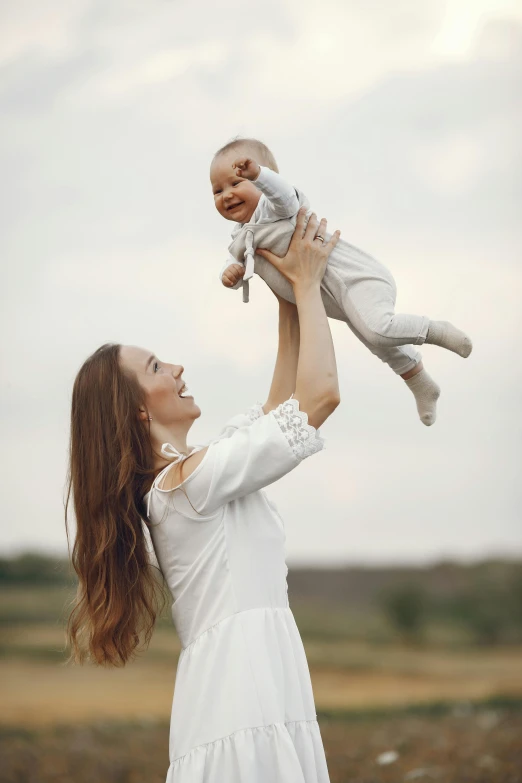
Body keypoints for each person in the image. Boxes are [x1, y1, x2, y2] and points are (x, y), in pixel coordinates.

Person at [65, 209, 341, 782]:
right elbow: (318, 400)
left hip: (248, 686)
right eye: (157, 366)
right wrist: (311, 286)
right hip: (242, 694)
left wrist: (286, 290)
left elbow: (280, 406)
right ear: (139, 409)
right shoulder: (189, 483)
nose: (178, 367)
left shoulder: (193, 477)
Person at [211, 137, 473, 427]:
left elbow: (284, 195)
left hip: (356, 278)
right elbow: (234, 261)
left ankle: (435, 330)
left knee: (377, 330)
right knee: (375, 340)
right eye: (217, 190)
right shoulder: (241, 237)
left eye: (236, 183)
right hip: (333, 297)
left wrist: (259, 175)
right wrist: (231, 275)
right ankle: (421, 381)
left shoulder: (276, 210)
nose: (226, 195)